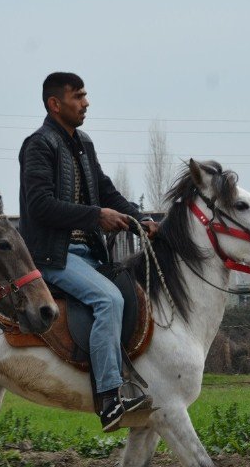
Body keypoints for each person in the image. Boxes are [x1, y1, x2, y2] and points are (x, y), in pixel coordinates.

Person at [19, 72, 160, 431]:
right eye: (78, 96)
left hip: (88, 254)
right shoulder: (38, 145)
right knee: (108, 300)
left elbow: (106, 191)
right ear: (55, 104)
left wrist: (138, 217)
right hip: (53, 256)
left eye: (86, 95)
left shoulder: (83, 144)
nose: (86, 103)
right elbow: (39, 206)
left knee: (131, 293)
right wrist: (96, 216)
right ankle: (110, 396)